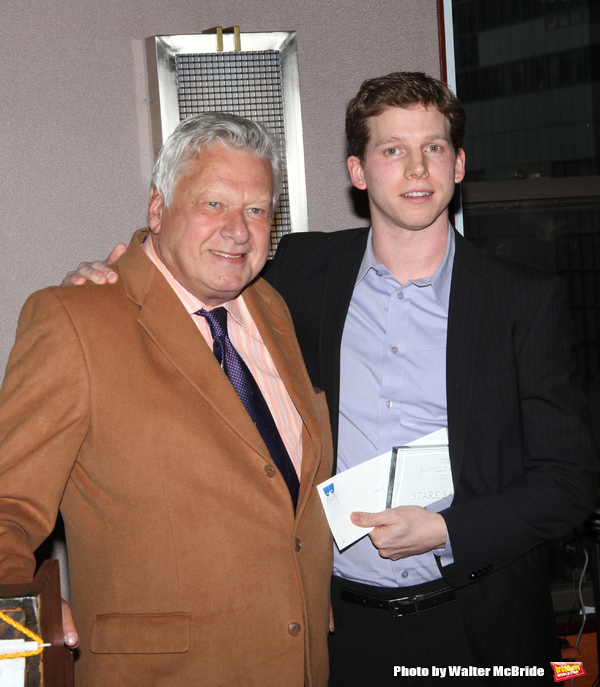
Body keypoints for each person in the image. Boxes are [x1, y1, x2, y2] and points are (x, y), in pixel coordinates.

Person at [62, 73, 598, 685]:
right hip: (339, 632)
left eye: (434, 148)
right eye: (393, 150)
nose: (417, 168)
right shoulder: (299, 274)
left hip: (485, 627)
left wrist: (449, 531)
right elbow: (201, 251)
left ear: (459, 165)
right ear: (358, 172)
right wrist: (121, 268)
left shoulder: (524, 300)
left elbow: (569, 482)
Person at [0, 112, 333, 687]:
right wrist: (25, 625)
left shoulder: (272, 309)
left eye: (256, 210)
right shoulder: (75, 319)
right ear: (157, 209)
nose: (238, 230)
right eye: (213, 204)